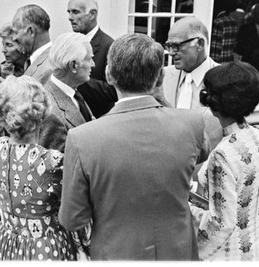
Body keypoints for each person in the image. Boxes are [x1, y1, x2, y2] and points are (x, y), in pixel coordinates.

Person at [59, 33, 204, 260]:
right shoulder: (192, 123)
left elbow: (72, 218)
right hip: (177, 252)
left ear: (108, 75)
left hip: (116, 253)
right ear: (160, 78)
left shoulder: (82, 138)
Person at [161, 16, 259, 161]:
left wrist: (232, 162)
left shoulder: (226, 79)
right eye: (169, 46)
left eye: (177, 46)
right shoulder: (162, 76)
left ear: (199, 43)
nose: (171, 52)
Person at [0, 75, 81, 260]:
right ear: (41, 116)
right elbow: (74, 208)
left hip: (7, 242)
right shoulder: (53, 161)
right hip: (46, 246)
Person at [189, 61, 259, 261]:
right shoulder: (257, 137)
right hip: (251, 247)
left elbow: (220, 223)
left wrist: (189, 208)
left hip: (225, 255)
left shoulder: (222, 155)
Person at [38, 32, 94, 152]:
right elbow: (56, 167)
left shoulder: (72, 92)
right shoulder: (51, 114)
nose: (93, 65)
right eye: (89, 59)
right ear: (73, 65)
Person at [67, 0, 117, 118]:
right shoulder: (70, 44)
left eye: (75, 12)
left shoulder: (109, 46)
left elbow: (113, 91)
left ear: (92, 14)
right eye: (69, 12)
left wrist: (77, 79)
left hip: (98, 121)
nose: (70, 17)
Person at [235, 3, 259, 99]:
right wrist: (254, 51)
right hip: (253, 66)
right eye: (255, 14)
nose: (258, 16)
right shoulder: (246, 29)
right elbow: (239, 48)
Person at [12, 4, 52, 85]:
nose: (14, 38)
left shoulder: (52, 66)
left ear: (31, 31)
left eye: (16, 32)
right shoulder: (31, 61)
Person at [0, 22, 29, 94]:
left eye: (9, 45)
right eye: (3, 45)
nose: (3, 50)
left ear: (21, 46)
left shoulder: (34, 67)